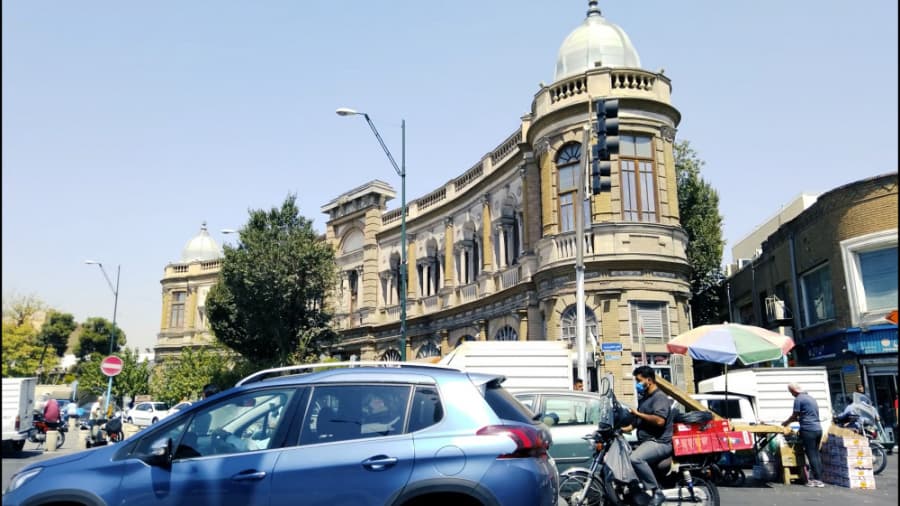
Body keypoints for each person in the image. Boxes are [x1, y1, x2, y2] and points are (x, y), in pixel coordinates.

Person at [624, 366, 673, 506]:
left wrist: (638, 414)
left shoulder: (660, 398)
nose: (636, 384)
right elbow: (638, 422)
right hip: (647, 441)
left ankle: (656, 491)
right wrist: (622, 429)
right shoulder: (645, 398)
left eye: (639, 380)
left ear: (649, 380)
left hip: (660, 442)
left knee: (635, 458)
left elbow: (659, 421)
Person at [782, 383, 825, 487]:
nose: (791, 394)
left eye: (791, 392)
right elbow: (805, 415)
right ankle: (819, 478)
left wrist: (785, 423)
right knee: (816, 453)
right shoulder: (811, 398)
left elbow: (794, 415)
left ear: (795, 391)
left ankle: (817, 480)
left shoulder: (799, 399)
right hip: (818, 429)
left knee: (811, 454)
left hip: (808, 429)